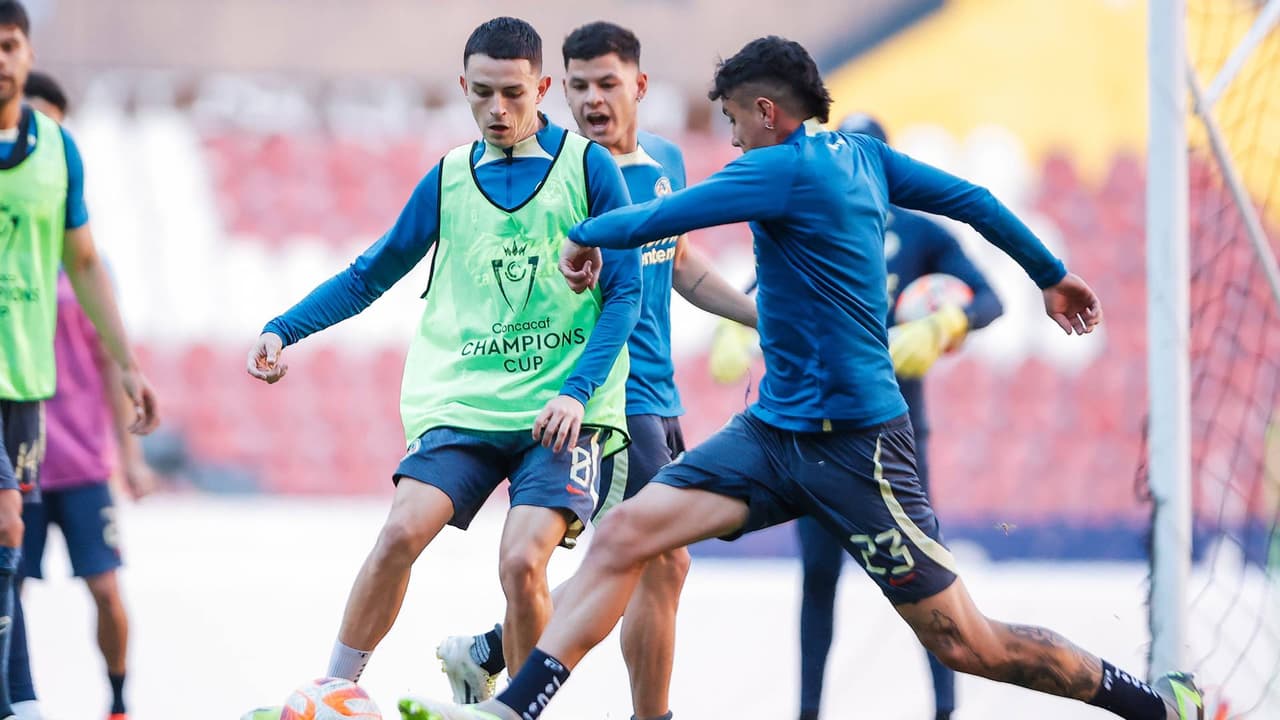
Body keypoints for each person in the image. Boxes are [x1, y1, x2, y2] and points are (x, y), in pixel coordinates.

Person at [397, 35, 1204, 720]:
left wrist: (582, 235)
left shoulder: (779, 167)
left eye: (736, 121)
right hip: (773, 434)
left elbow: (658, 218)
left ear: (768, 113)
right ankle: (512, 708)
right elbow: (976, 199)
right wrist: (1050, 273)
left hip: (859, 451)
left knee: (969, 643)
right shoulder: (867, 158)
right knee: (624, 537)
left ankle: (1156, 706)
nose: (734, 138)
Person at [241, 16, 640, 719]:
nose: (497, 110)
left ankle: (516, 710)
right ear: (463, 86)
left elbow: (626, 293)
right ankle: (335, 688)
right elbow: (371, 274)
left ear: (542, 87)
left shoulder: (588, 168)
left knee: (521, 563)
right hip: (464, 405)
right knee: (399, 532)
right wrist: (282, 328)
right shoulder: (450, 179)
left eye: (513, 94)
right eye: (481, 93)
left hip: (563, 414)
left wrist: (578, 391)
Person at [435, 22, 757, 720]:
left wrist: (758, 318)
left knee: (651, 562)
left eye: (606, 83)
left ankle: (490, 654)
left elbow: (678, 264)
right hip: (613, 401)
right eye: (577, 86)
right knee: (660, 561)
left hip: (663, 399)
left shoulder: (663, 161)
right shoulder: (560, 174)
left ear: (638, 86)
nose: (591, 99)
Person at [792, 113, 1003, 720]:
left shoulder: (921, 234)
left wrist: (947, 322)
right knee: (817, 578)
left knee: (926, 581)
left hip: (896, 438)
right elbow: (756, 292)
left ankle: (945, 710)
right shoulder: (811, 227)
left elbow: (991, 298)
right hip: (817, 430)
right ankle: (808, 712)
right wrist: (736, 323)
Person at [0, 4, 159, 720]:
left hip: (57, 431)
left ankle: (111, 700)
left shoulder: (60, 169)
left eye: (11, 47)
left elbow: (89, 280)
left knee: (89, 586)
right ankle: (24, 701)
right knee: (9, 551)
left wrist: (128, 388)